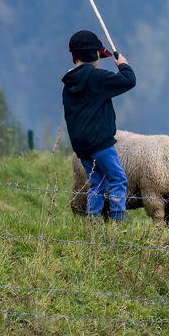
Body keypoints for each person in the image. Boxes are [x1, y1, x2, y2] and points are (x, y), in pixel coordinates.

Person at [61, 29, 136, 222]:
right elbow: (129, 81)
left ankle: (92, 222)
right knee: (118, 179)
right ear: (93, 54)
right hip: (101, 143)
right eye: (98, 54)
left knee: (97, 183)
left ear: (74, 57)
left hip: (81, 147)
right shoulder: (97, 78)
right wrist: (124, 65)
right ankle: (117, 223)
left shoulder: (68, 84)